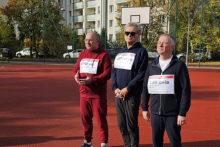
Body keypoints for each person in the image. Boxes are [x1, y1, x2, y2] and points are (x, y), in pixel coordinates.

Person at [141, 34, 191, 147]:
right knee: (156, 143)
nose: (160, 44)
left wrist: (182, 113)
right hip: (155, 113)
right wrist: (144, 108)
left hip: (173, 113)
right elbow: (145, 87)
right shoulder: (151, 65)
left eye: (164, 43)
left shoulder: (179, 66)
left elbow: (185, 90)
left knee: (175, 143)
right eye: (159, 42)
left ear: (172, 47)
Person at [111, 22, 148, 147]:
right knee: (121, 124)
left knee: (131, 125)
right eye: (127, 33)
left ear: (138, 35)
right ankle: (127, 145)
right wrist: (115, 88)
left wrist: (128, 88)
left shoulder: (141, 52)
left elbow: (141, 74)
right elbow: (114, 71)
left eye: (132, 33)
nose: (129, 35)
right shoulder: (120, 52)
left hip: (131, 94)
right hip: (119, 94)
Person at [73, 32, 112, 147]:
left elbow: (107, 73)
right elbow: (75, 69)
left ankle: (103, 143)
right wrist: (75, 75)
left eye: (90, 40)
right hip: (83, 93)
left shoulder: (104, 55)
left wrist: (93, 79)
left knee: (101, 120)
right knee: (85, 119)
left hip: (97, 94)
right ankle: (87, 142)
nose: (87, 42)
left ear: (97, 41)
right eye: (86, 40)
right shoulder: (82, 54)